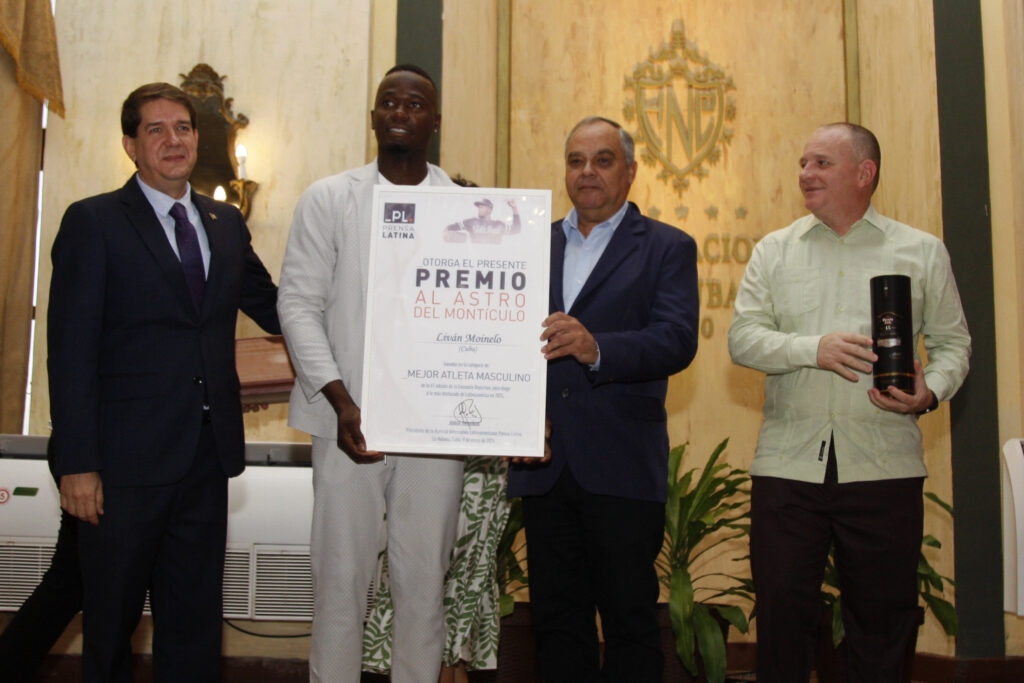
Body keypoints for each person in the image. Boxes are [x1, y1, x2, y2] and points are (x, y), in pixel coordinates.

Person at [47, 82, 280, 682]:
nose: (173, 140)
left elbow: (278, 309)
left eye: (182, 127)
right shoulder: (94, 221)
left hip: (205, 459)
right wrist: (77, 464)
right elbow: (69, 353)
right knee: (110, 628)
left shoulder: (225, 223)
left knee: (194, 626)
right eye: (155, 130)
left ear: (197, 138)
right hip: (120, 468)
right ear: (130, 145)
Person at [728, 122, 971, 682]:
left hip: (885, 467)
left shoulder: (921, 251)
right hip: (788, 469)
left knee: (883, 626)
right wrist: (813, 349)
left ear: (865, 173)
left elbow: (954, 345)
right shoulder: (774, 250)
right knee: (782, 622)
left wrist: (930, 390)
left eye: (821, 163)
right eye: (803, 163)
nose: (805, 174)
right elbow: (743, 340)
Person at [277, 64, 465, 683]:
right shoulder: (330, 199)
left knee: (424, 584)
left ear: (435, 121)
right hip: (346, 425)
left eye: (414, 104)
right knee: (340, 582)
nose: (400, 112)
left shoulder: (466, 210)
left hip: (434, 432)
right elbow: (297, 305)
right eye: (389, 102)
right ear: (373, 117)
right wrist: (341, 400)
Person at [507, 116, 699, 680]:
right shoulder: (528, 245)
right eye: (576, 161)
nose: (587, 171)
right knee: (556, 625)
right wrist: (515, 418)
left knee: (630, 623)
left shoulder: (666, 246)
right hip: (543, 464)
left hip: (622, 466)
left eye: (603, 160)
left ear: (630, 171)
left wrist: (598, 349)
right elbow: (502, 339)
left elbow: (677, 339)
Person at [444, 198, 520, 243]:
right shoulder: (471, 222)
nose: (479, 209)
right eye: (479, 207)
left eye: (482, 207)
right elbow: (449, 228)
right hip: (476, 258)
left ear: (489, 209)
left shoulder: (499, 224)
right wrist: (460, 237)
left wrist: (514, 208)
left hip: (494, 258)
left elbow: (516, 229)